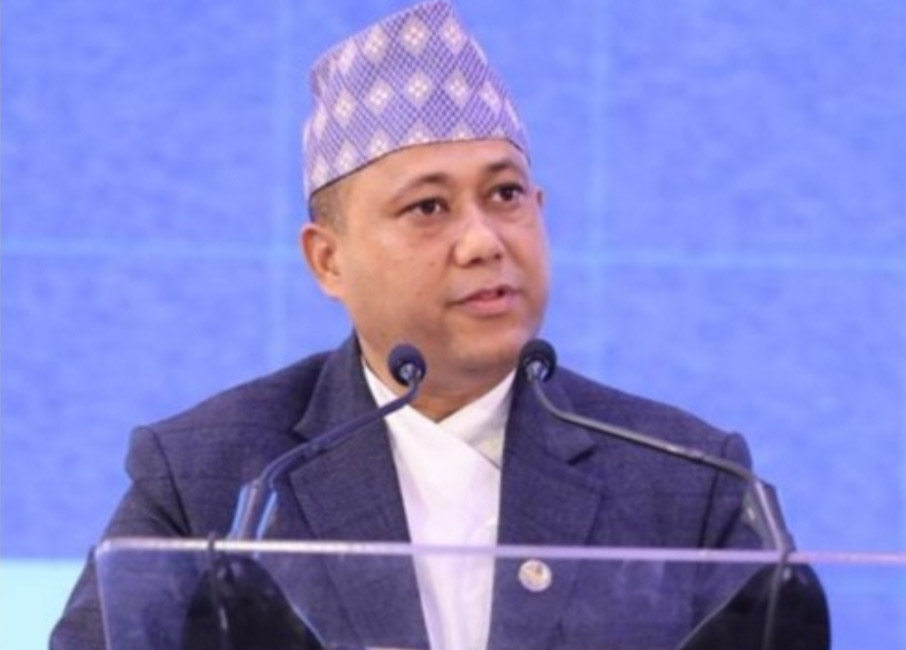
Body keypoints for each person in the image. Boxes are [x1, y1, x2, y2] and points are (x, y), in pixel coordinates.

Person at [50, 2, 766, 649]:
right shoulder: (212, 477)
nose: (483, 241)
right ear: (328, 260)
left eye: (506, 194)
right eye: (429, 207)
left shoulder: (689, 480)